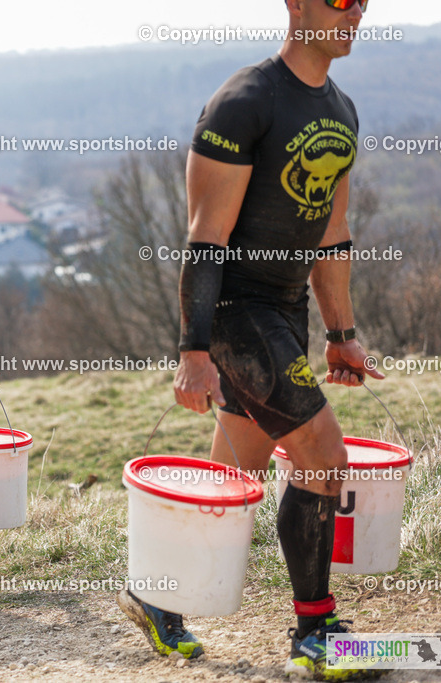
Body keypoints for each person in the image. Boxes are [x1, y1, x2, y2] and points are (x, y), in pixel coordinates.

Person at [117, 0, 385, 679]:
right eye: (339, 0)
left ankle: (157, 596)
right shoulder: (244, 102)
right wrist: (195, 350)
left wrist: (342, 333)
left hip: (287, 311)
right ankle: (315, 630)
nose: (353, 13)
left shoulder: (342, 112)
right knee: (323, 454)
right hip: (236, 309)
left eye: (364, 2)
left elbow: (331, 233)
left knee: (236, 473)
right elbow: (205, 239)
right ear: (297, 3)